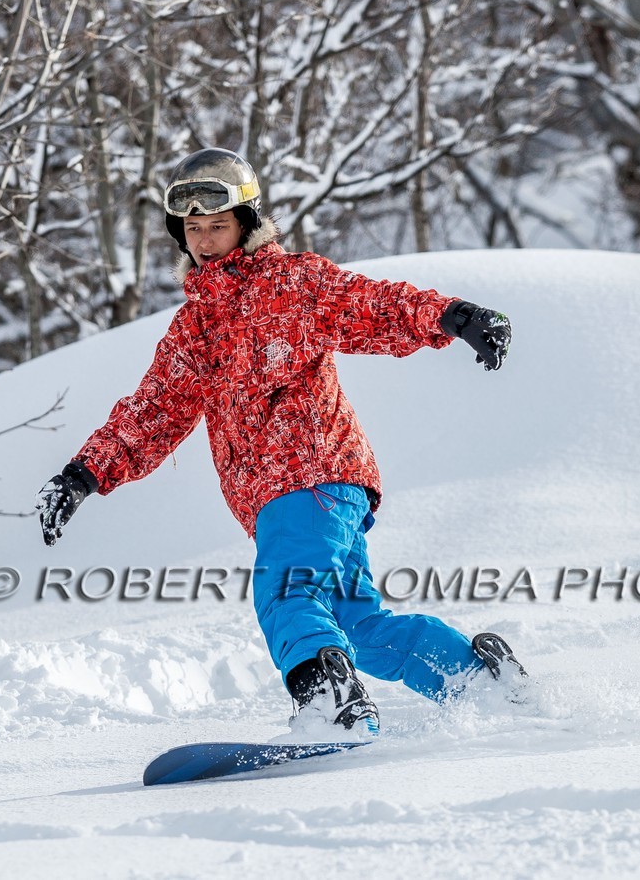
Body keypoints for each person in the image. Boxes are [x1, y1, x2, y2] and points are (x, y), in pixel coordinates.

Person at [35, 148, 525, 737]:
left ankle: (330, 703)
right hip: (304, 494)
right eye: (194, 229)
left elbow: (371, 306)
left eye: (218, 225)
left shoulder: (292, 284)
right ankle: (480, 681)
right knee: (358, 625)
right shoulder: (194, 330)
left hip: (310, 475)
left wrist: (454, 316)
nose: (207, 240)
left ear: (246, 224)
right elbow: (154, 410)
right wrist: (84, 473)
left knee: (285, 592)